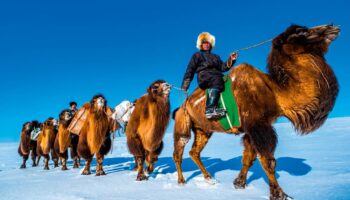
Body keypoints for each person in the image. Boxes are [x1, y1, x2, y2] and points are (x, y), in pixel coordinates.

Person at [181, 32, 238, 119]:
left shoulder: (216, 57)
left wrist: (231, 59)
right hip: (204, 75)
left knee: (227, 80)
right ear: (201, 44)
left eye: (208, 43)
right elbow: (190, 69)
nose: (206, 45)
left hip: (217, 75)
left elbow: (223, 67)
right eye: (204, 42)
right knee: (216, 78)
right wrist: (185, 84)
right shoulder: (197, 55)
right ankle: (210, 109)